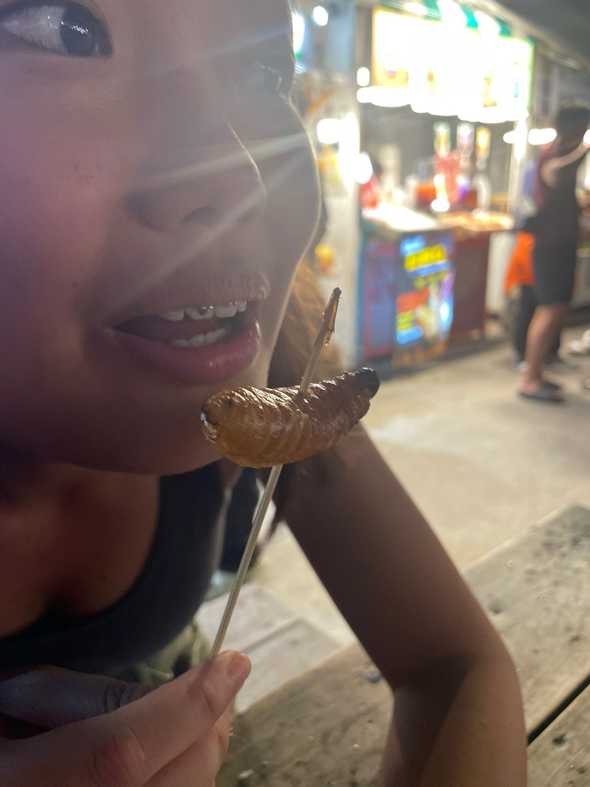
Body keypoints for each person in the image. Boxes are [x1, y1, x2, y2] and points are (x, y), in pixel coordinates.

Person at [0, 2, 526, 786]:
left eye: (260, 66)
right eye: (67, 33)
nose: (239, 173)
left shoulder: (272, 376)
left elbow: (457, 664)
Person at [519, 104, 590, 403]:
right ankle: (530, 380)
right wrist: (584, 149)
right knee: (549, 310)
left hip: (559, 246)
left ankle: (537, 371)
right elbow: (556, 173)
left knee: (556, 308)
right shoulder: (554, 156)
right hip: (550, 247)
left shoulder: (563, 155)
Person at [504, 230, 561, 366]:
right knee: (527, 315)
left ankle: (548, 354)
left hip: (546, 275)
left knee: (551, 315)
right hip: (530, 278)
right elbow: (524, 260)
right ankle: (523, 356)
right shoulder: (532, 232)